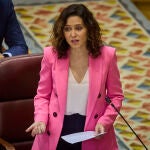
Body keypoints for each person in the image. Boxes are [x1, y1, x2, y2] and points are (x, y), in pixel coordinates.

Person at [26, 4, 124, 150]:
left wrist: (105, 121)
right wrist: (40, 119)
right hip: (56, 128)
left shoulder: (107, 56)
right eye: (67, 29)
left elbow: (116, 96)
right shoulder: (50, 55)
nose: (73, 34)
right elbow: (42, 96)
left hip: (92, 130)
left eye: (78, 28)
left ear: (89, 29)